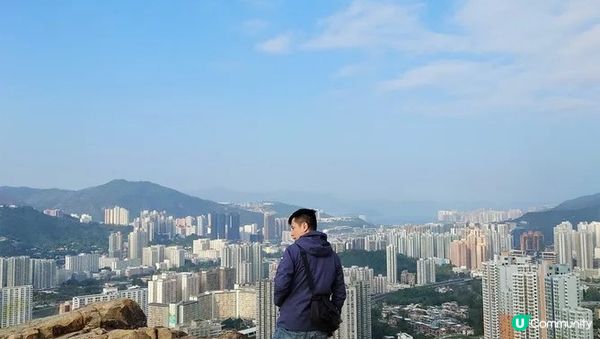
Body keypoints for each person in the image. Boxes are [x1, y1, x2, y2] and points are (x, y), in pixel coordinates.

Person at [273, 208, 346, 339]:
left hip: (291, 325)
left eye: (293, 228)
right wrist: (330, 314)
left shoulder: (292, 252)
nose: (291, 233)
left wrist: (281, 304)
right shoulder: (333, 256)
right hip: (320, 326)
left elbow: (281, 285)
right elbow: (340, 293)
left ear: (305, 226)